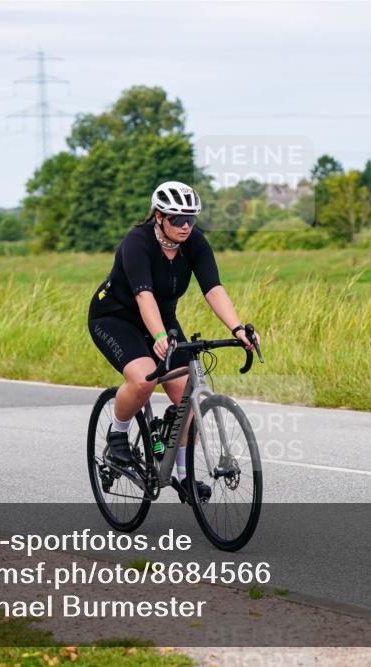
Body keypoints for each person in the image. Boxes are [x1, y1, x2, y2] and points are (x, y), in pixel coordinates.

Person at [88, 181, 260, 503]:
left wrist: (238, 328)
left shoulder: (194, 243)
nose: (185, 226)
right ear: (158, 217)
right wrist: (156, 338)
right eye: (177, 219)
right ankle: (118, 435)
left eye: (191, 219)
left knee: (188, 395)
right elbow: (144, 294)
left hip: (163, 321)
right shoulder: (136, 242)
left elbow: (213, 288)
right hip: (115, 318)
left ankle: (184, 477)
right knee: (142, 380)